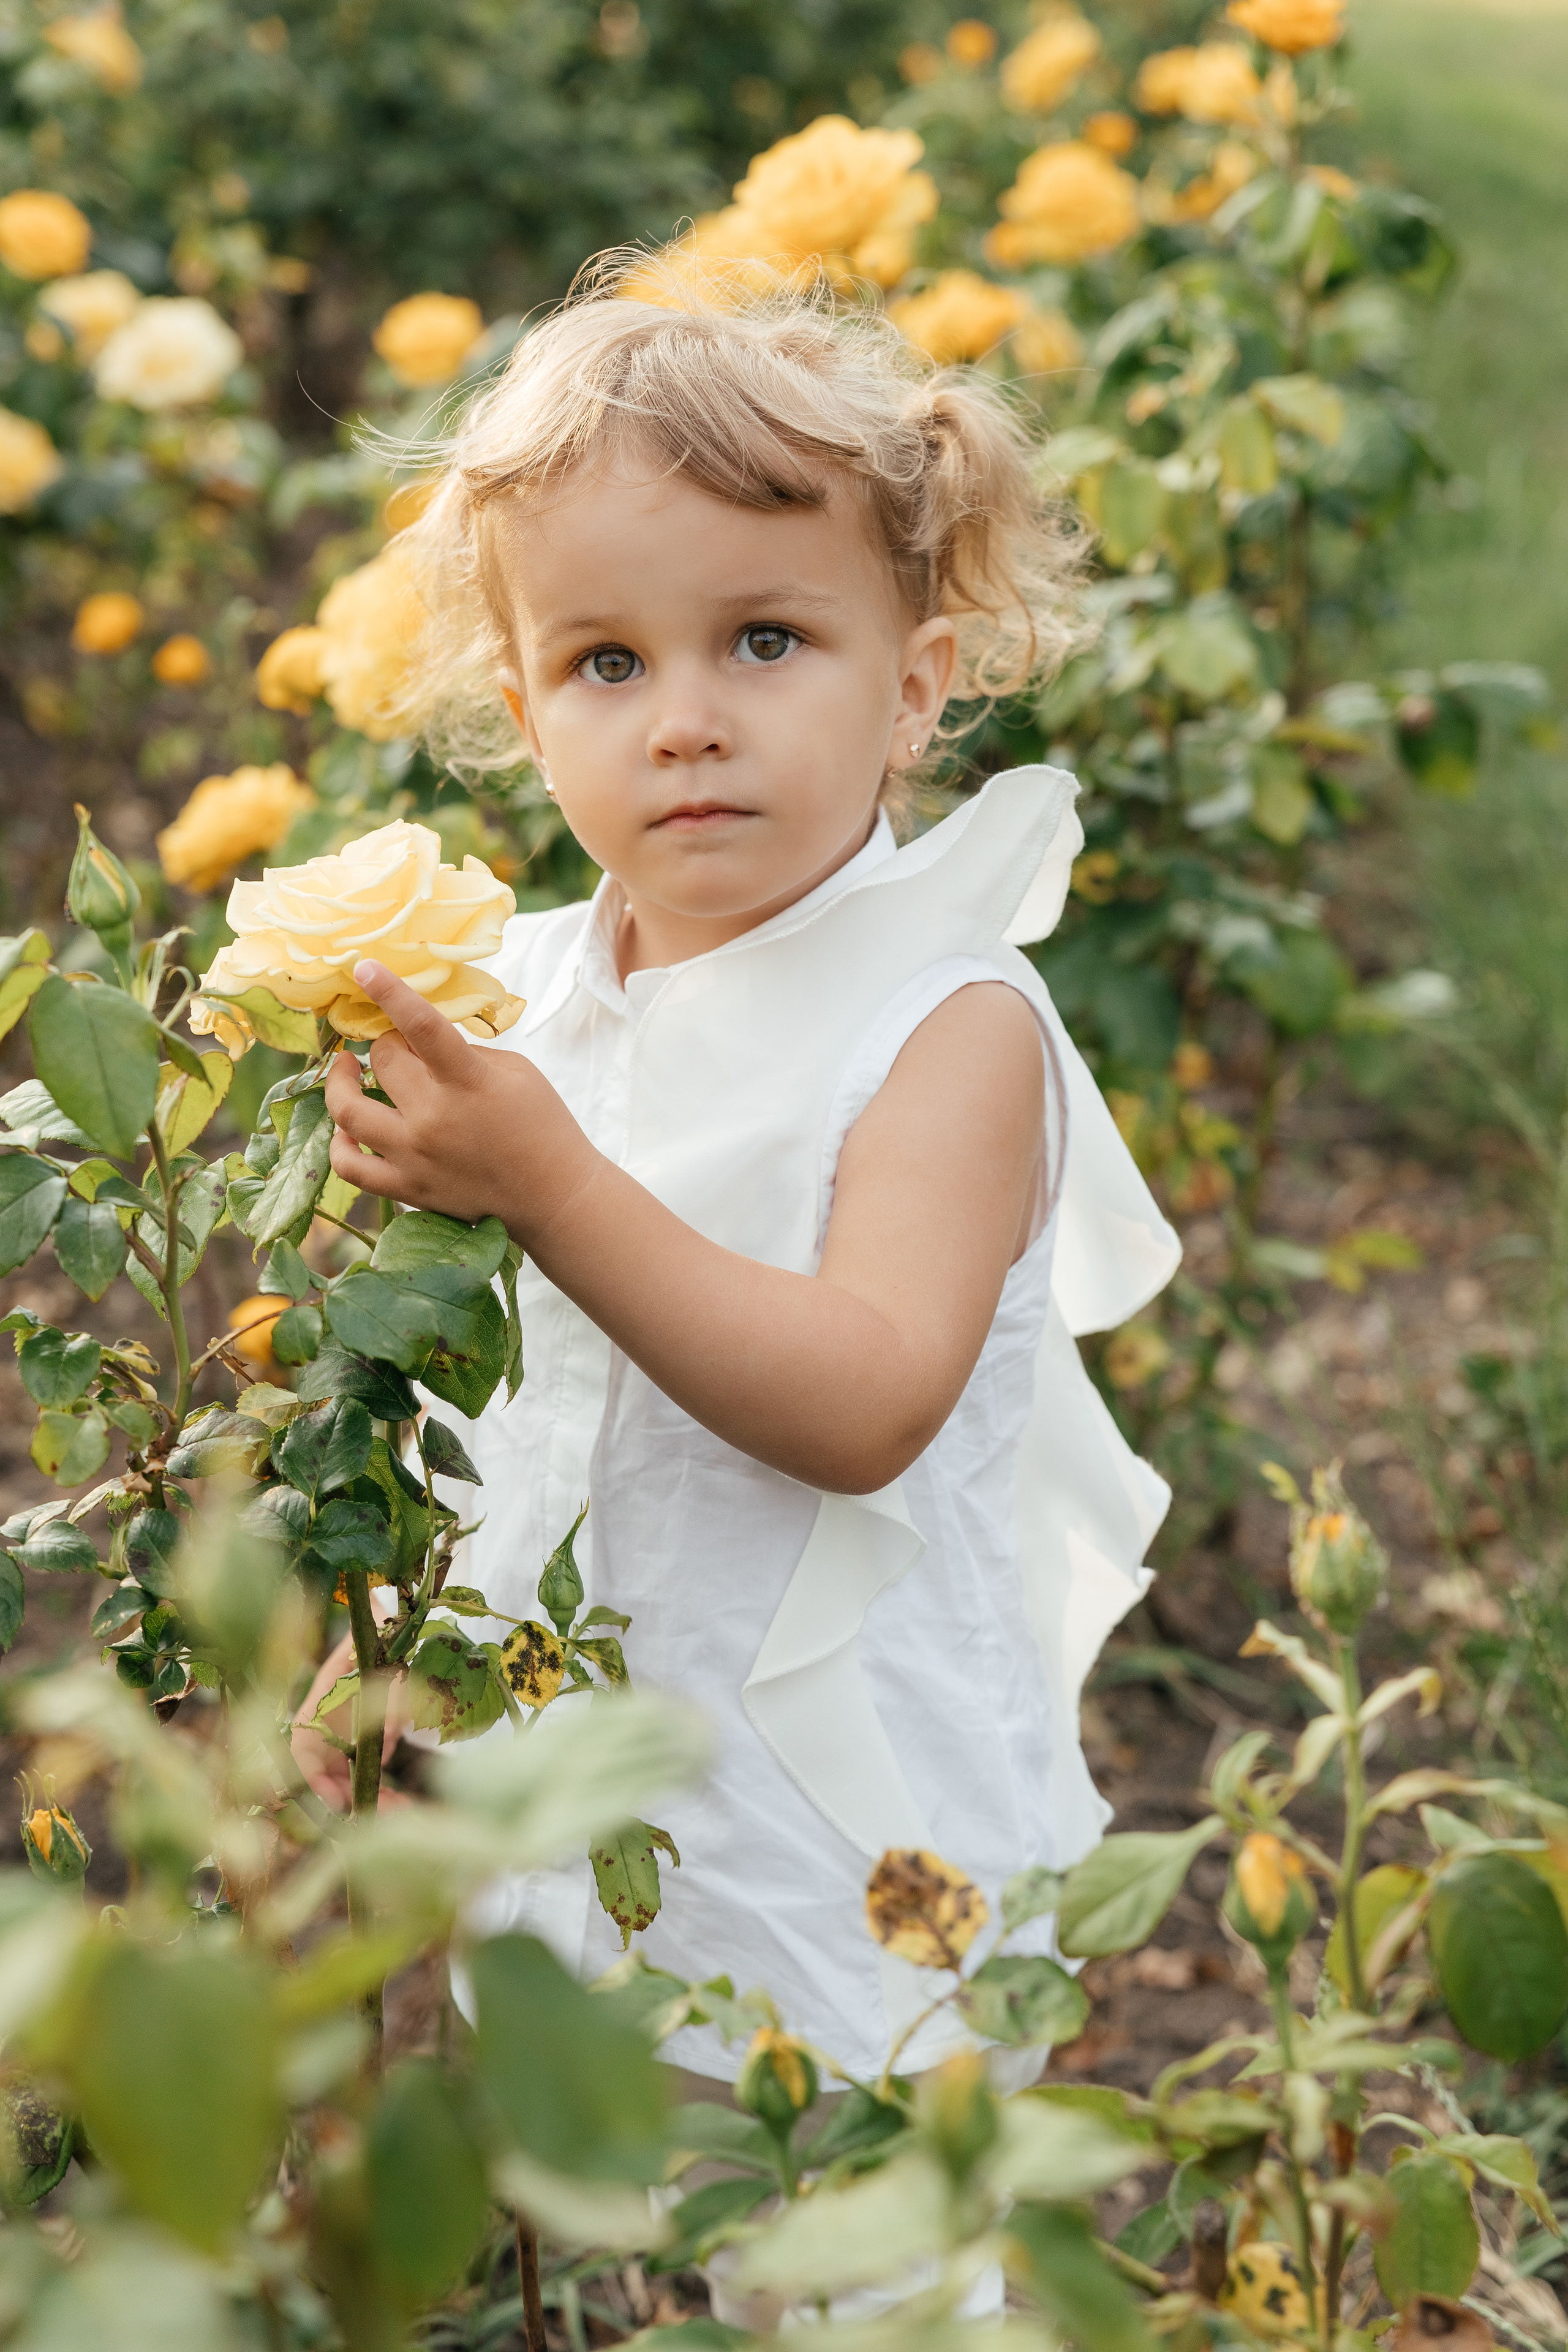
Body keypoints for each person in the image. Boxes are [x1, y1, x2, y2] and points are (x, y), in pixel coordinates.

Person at [301, 254, 1180, 2107]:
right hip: (569, 1771)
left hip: (833, 1820)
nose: (684, 717)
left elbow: (863, 1402)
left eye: (764, 641)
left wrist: (543, 1180)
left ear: (916, 686)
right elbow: (471, 1400)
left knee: (858, 2248)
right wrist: (382, 1655)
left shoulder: (946, 1028)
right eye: (607, 662)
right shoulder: (517, 991)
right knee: (571, 2183)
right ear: (530, 720)